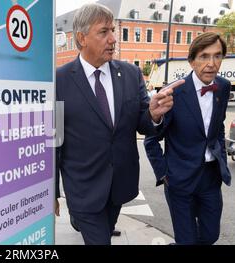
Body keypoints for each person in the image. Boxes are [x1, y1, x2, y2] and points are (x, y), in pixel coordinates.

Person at [55, 3, 183, 245]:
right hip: (82, 188)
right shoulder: (59, 81)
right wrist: (52, 190)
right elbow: (54, 141)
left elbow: (142, 124)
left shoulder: (131, 74)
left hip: (118, 186)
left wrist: (153, 114)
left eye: (113, 30)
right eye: (104, 32)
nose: (113, 39)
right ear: (81, 38)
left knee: (106, 232)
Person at [144, 32, 231, 245]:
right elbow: (150, 139)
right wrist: (164, 174)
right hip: (178, 180)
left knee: (211, 235)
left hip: (210, 178)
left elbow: (218, 126)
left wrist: (219, 151)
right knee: (187, 239)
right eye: (204, 56)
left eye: (217, 56)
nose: (211, 63)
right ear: (191, 61)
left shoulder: (223, 86)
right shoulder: (173, 93)